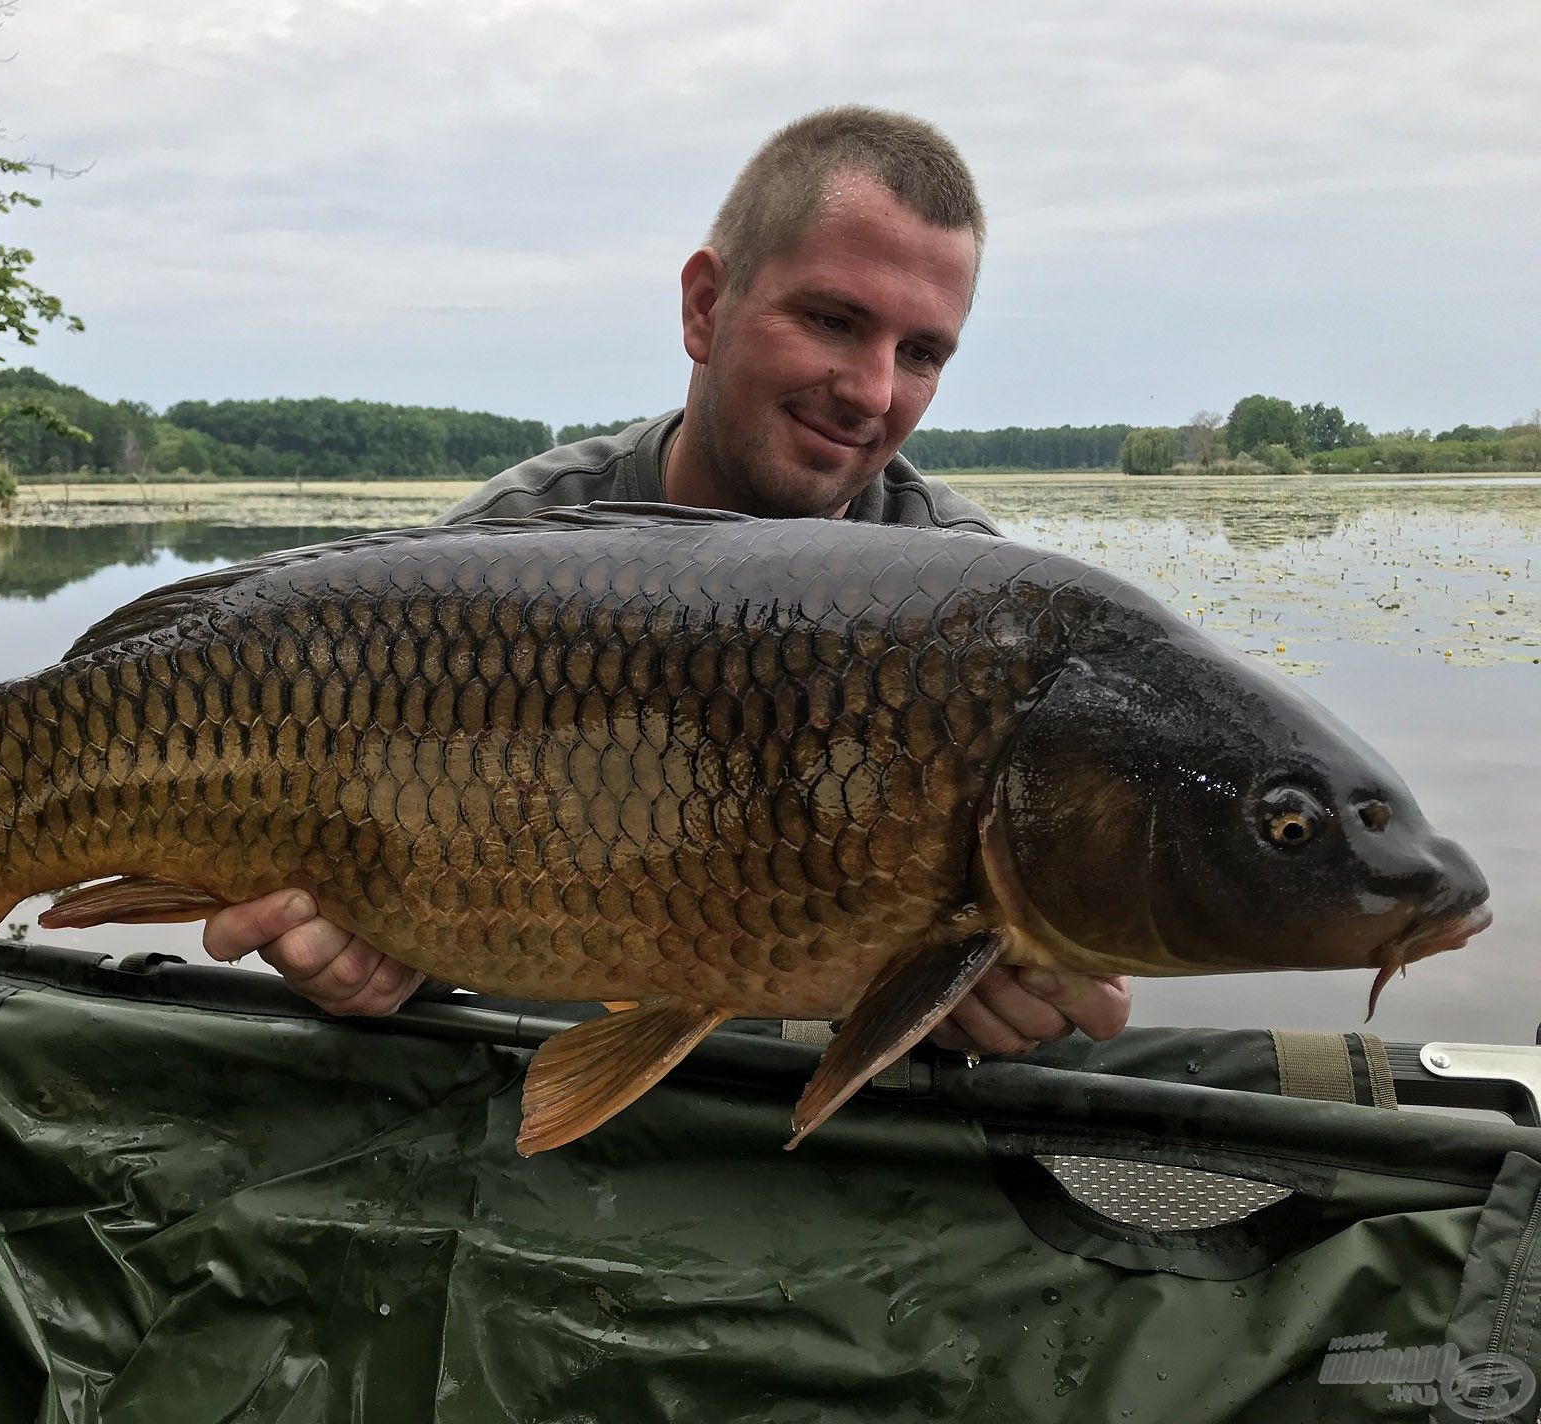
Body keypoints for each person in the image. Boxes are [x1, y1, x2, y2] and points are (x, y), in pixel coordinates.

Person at [204, 105, 1132, 1056]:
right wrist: (372, 964)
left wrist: (996, 1011)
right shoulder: (510, 550)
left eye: (922, 353)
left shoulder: (979, 615)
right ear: (704, 307)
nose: (873, 390)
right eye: (831, 320)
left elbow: (1052, 951)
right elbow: (363, 855)